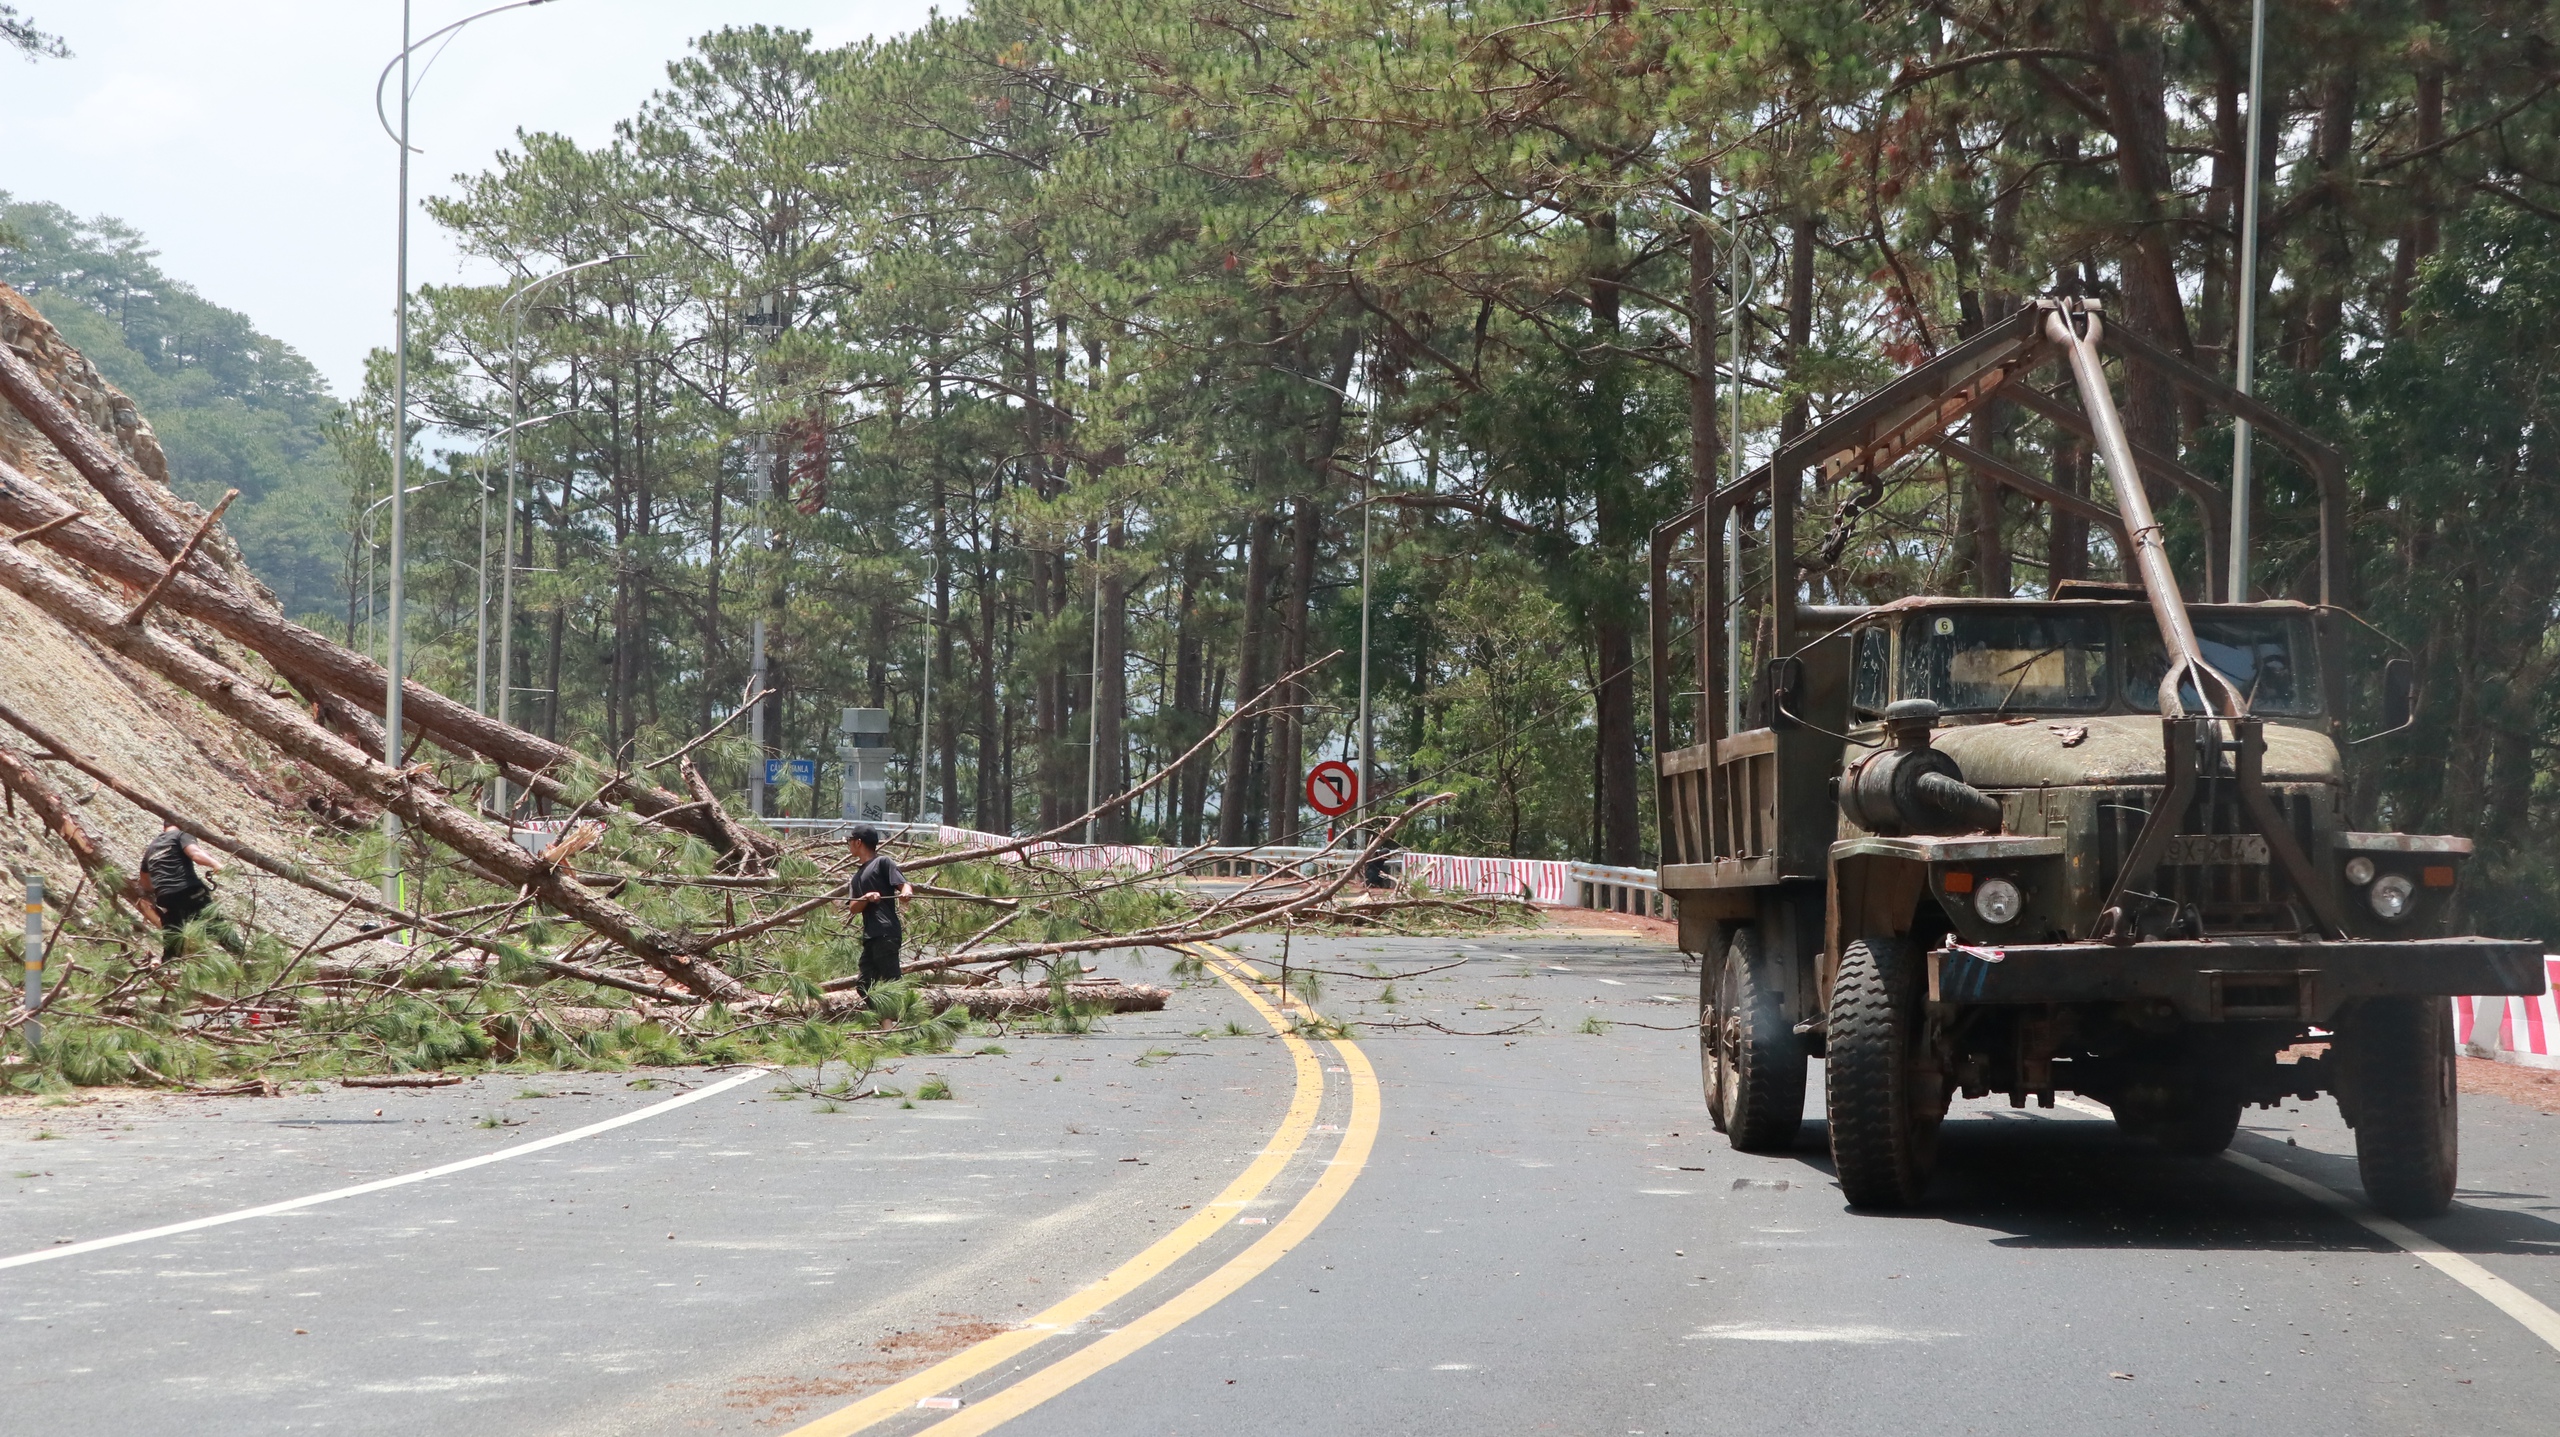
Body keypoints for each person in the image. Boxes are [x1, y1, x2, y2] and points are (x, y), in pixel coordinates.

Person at [139, 823, 226, 960]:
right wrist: (216, 864)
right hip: (189, 891)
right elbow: (195, 854)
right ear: (179, 823)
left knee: (173, 940)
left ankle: (168, 965)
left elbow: (145, 881)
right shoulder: (181, 835)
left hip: (166, 898)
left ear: (164, 827)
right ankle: (245, 959)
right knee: (219, 928)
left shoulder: (151, 848)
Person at [845, 825, 914, 993]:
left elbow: (904, 885)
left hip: (886, 932)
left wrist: (906, 893)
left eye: (850, 840)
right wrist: (866, 897)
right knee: (863, 986)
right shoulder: (856, 877)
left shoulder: (882, 862)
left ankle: (905, 1008)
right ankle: (888, 1012)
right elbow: (853, 908)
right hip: (870, 936)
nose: (848, 844)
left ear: (858, 842)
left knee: (893, 982)